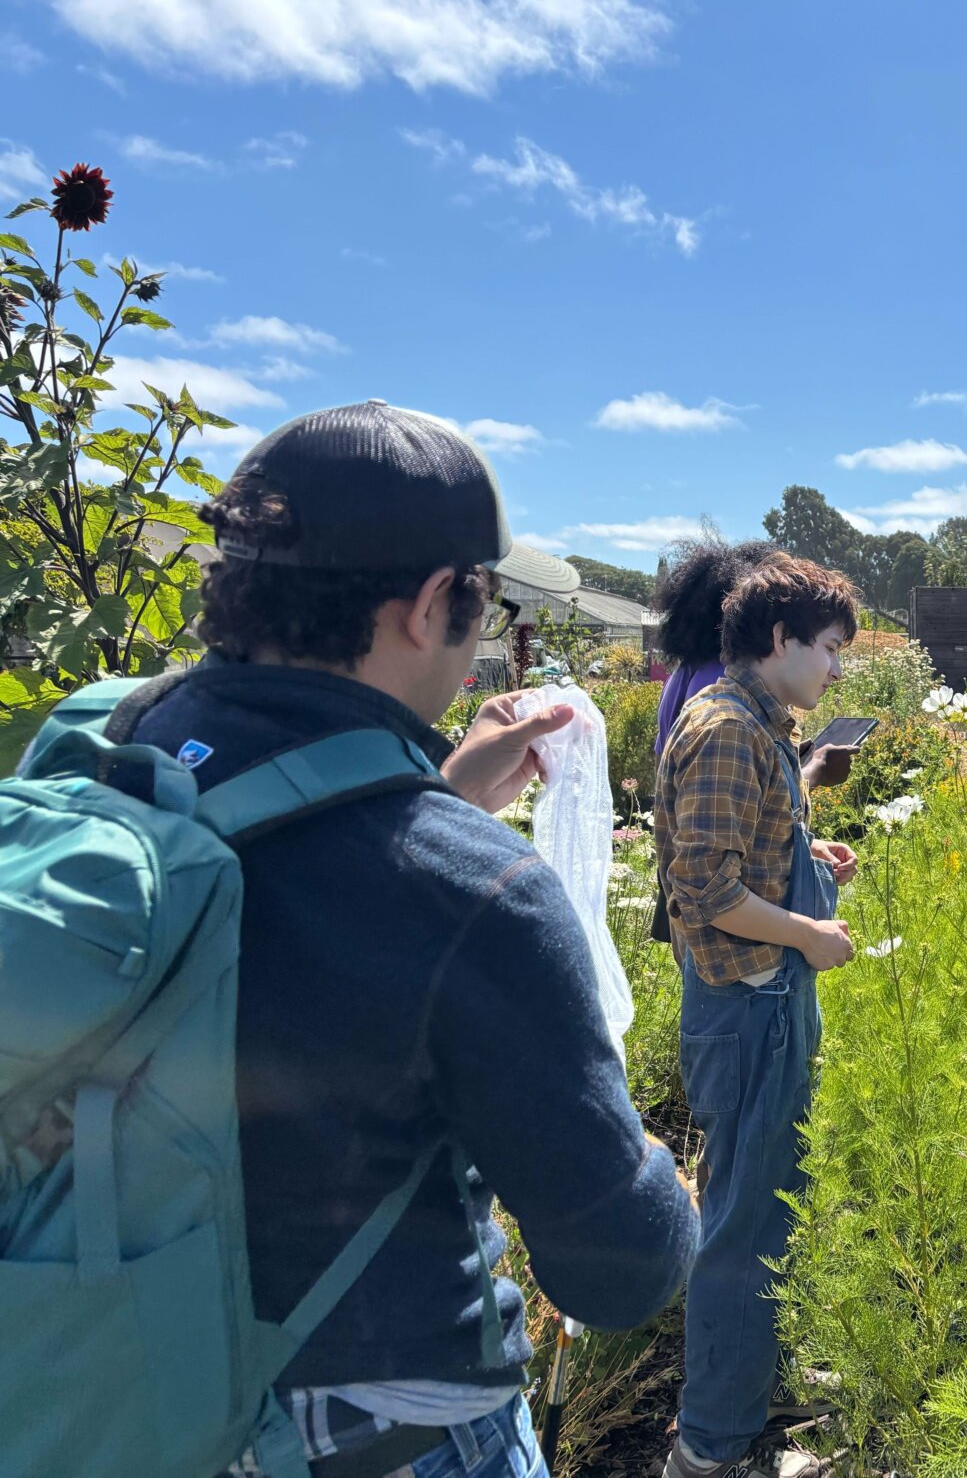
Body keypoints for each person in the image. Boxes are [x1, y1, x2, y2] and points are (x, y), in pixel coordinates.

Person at [129, 402, 699, 1477]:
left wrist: (434, 795)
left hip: (110, 1390)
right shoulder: (470, 890)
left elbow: (287, 901)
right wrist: (669, 1184)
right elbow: (619, 1272)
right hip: (372, 1429)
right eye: (484, 607)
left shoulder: (120, 747)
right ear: (435, 602)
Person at [655, 555, 863, 1478]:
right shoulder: (728, 730)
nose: (836, 670)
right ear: (779, 639)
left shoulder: (761, 725)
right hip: (747, 1008)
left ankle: (751, 1386)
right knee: (741, 1224)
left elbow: (741, 852)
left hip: (766, 1000)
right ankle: (710, 1444)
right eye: (829, 648)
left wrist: (806, 854)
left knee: (771, 1202)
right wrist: (809, 932)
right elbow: (703, 889)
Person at [653, 538, 854, 789]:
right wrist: (813, 770)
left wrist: (783, 764)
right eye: (830, 648)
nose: (837, 673)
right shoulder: (727, 721)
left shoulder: (693, 671)